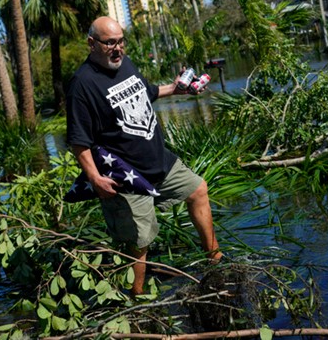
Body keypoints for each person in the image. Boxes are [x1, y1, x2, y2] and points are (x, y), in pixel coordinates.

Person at [66, 16, 222, 295]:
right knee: (139, 244)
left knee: (198, 189)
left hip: (159, 160)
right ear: (92, 44)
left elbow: (146, 93)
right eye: (110, 43)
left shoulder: (124, 64)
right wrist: (94, 178)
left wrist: (174, 88)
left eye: (121, 41)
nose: (117, 48)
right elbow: (79, 141)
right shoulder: (82, 84)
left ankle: (217, 261)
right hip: (127, 175)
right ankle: (137, 301)